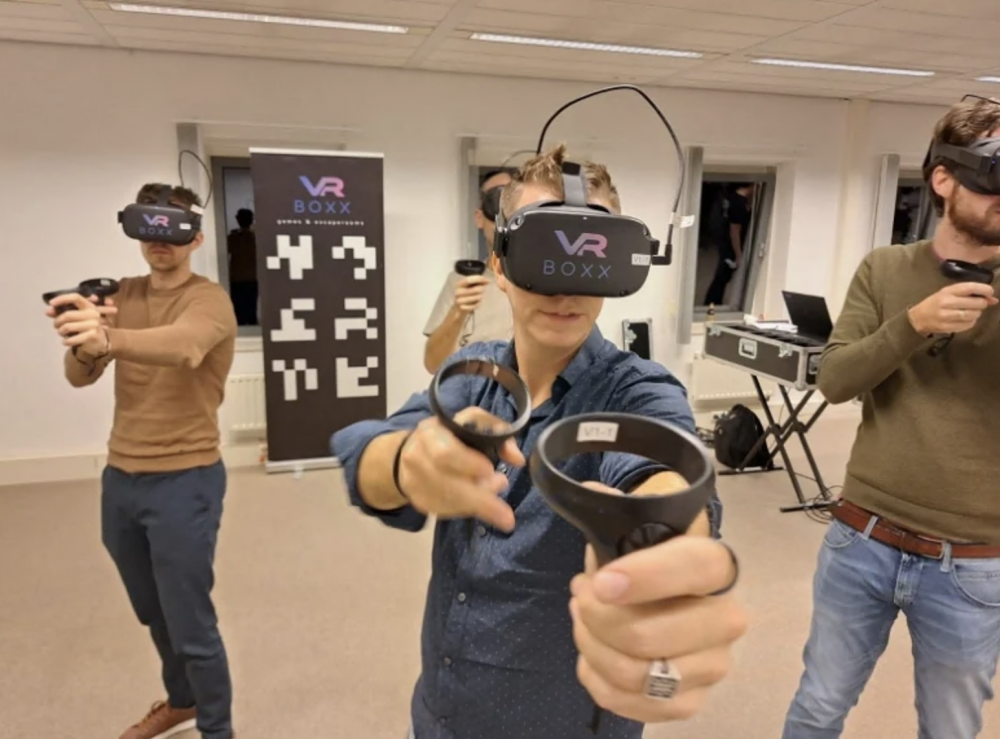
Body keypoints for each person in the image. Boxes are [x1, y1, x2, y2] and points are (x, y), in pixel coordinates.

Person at [333, 145, 746, 739]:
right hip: (439, 716)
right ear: (500, 267)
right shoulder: (472, 374)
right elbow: (364, 449)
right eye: (543, 258)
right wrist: (403, 461)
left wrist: (663, 558)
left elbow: (665, 478)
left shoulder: (636, 390)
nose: (563, 290)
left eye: (588, 259)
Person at [781, 97, 1000, 739]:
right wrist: (912, 325)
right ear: (945, 178)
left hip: (974, 559)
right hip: (862, 537)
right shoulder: (884, 269)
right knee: (818, 708)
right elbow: (835, 380)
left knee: (951, 728)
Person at [45, 183, 238, 739]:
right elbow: (79, 376)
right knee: (152, 610)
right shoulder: (120, 295)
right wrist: (86, 339)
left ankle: (217, 729)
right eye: (149, 227)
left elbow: (184, 346)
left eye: (172, 229)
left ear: (195, 238)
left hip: (186, 478)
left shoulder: (210, 300)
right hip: (121, 478)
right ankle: (182, 702)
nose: (160, 240)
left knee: (190, 620)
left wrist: (108, 337)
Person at [423, 169, 515, 373]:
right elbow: (433, 364)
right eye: (496, 201)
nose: (504, 216)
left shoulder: (544, 283)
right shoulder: (462, 281)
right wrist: (458, 312)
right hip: (473, 388)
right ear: (480, 217)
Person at [703, 183, 753, 307]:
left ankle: (713, 303)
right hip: (728, 242)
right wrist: (738, 255)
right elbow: (734, 231)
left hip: (724, 237)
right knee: (723, 274)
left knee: (723, 274)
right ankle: (711, 303)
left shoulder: (733, 196)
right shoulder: (738, 202)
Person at [227, 207, 258, 326]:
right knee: (251, 309)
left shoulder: (234, 237)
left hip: (238, 278)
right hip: (251, 277)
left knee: (239, 311)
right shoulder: (255, 237)